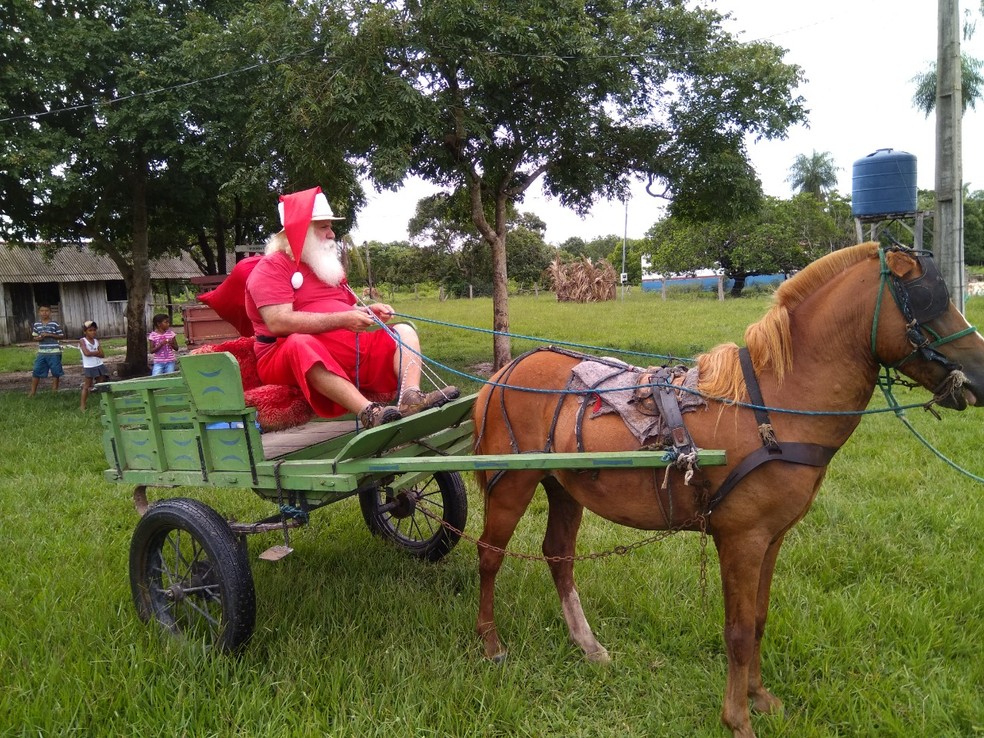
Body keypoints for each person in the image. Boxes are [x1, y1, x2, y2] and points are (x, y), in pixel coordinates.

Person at [244, 186, 458, 428]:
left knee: (404, 332)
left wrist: (368, 312)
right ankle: (368, 412)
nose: (332, 233)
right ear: (301, 230)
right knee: (300, 343)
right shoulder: (272, 267)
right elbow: (278, 321)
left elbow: (342, 308)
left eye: (330, 226)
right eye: (324, 227)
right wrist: (344, 319)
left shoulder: (323, 266)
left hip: (343, 350)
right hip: (284, 358)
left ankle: (412, 398)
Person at [29, 305, 64, 396]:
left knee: (55, 372)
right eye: (42, 311)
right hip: (42, 352)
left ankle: (54, 392)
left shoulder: (54, 324)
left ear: (50, 312)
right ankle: (32, 392)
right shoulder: (37, 324)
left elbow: (61, 336)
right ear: (39, 312)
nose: (44, 313)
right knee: (36, 370)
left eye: (46, 311)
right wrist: (38, 338)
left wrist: (49, 335)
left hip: (54, 351)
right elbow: (34, 337)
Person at [79, 320, 109, 410]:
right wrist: (96, 352)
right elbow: (86, 353)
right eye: (90, 330)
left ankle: (105, 403)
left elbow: (102, 354)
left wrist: (95, 353)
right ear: (85, 332)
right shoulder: (82, 341)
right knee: (87, 386)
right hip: (89, 366)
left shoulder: (96, 341)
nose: (93, 332)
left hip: (99, 364)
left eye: (94, 330)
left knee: (101, 384)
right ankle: (82, 406)